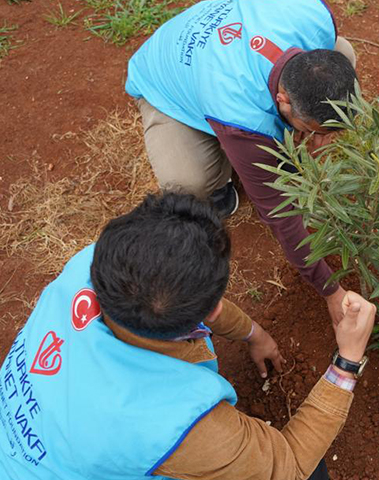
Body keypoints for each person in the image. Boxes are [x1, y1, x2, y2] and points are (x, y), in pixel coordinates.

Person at [0, 193, 376, 480]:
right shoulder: (174, 425)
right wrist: (347, 360)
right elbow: (290, 466)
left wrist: (254, 334)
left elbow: (196, 299)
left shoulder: (96, 264)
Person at [125, 0, 359, 324]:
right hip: (166, 80)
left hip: (221, 53)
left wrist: (316, 129)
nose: (319, 141)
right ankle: (219, 169)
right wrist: (331, 291)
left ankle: (261, 128)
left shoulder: (314, 14)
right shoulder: (239, 113)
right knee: (190, 184)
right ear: (283, 100)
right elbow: (280, 215)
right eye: (311, 131)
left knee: (343, 51)